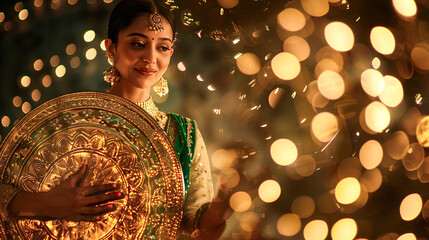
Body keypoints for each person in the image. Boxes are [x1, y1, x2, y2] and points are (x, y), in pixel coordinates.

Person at [0, 0, 231, 239]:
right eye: (138, 44)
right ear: (111, 49)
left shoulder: (184, 133)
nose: (150, 58)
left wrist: (226, 203)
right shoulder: (70, 120)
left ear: (170, 54)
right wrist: (46, 204)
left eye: (162, 48)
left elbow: (192, 223)